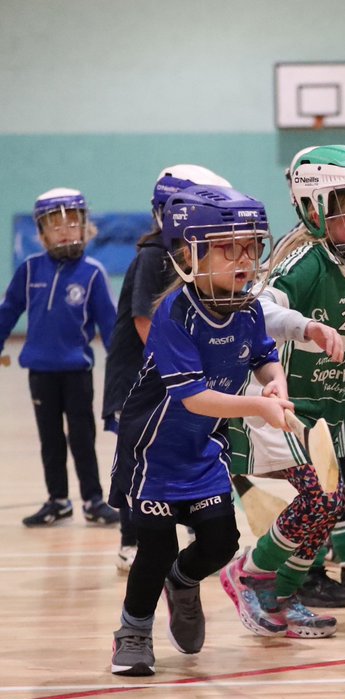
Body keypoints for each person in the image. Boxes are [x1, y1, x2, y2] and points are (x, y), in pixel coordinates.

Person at [109, 185, 290, 676]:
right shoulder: (175, 313)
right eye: (229, 247)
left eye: (251, 246)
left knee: (220, 543)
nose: (245, 259)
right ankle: (133, 630)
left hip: (203, 448)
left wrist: (275, 387)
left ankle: (183, 582)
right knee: (156, 547)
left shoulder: (249, 309)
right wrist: (258, 405)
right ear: (191, 254)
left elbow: (265, 359)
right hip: (153, 451)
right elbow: (194, 398)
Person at [228, 145, 345, 614]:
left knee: (335, 491)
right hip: (292, 402)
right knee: (323, 496)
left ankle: (309, 577)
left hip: (335, 397)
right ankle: (281, 576)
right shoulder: (303, 263)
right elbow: (258, 308)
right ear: (315, 209)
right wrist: (305, 326)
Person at [103, 165, 231, 571]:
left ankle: (191, 525)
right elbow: (145, 323)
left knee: (177, 448)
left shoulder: (192, 260)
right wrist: (182, 367)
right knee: (138, 458)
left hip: (170, 380)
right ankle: (131, 538)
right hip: (137, 381)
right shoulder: (154, 256)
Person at [0, 188, 118, 527]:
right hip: (40, 373)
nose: (64, 232)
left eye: (72, 224)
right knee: (50, 439)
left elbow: (110, 326)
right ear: (41, 233)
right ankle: (57, 500)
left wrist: (125, 372)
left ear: (85, 228)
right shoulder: (29, 269)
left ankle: (94, 500)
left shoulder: (93, 273)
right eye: (56, 226)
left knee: (82, 438)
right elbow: (8, 311)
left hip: (77, 373)